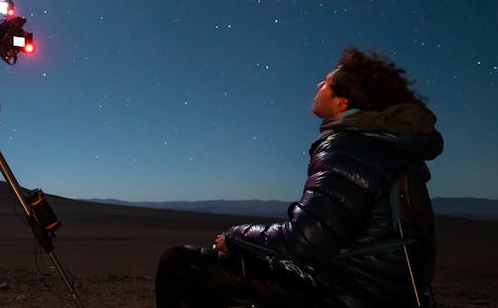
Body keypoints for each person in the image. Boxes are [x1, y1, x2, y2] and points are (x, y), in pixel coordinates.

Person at [155, 47, 444, 308]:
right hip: (378, 287)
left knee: (179, 264)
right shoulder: (383, 147)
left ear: (342, 103)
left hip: (346, 291)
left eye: (327, 83)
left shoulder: (349, 146)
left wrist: (236, 235)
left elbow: (307, 240)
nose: (319, 85)